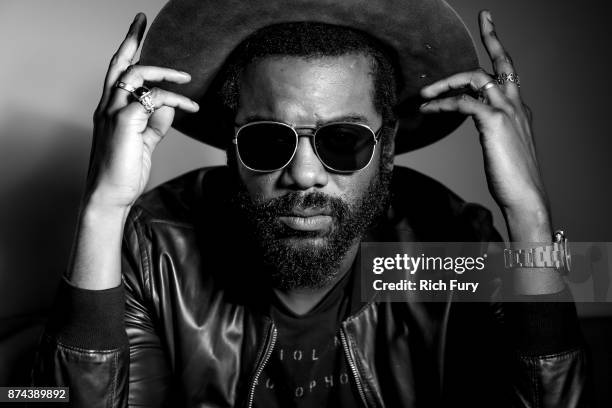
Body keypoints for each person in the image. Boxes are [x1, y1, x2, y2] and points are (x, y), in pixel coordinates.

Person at [33, 0, 589, 406]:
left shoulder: (448, 243)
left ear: (387, 148)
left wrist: (530, 216)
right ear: (231, 145)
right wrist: (102, 208)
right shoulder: (158, 248)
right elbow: (44, 399)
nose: (303, 175)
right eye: (267, 141)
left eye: (343, 141)